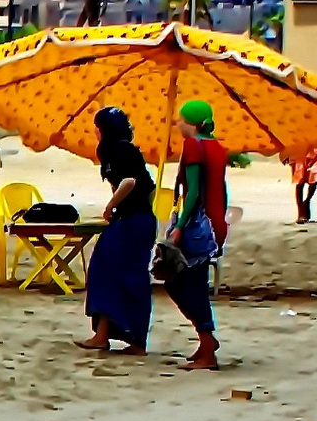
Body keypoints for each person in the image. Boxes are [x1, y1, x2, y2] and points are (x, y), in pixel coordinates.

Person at [74, 107, 156, 356]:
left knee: (123, 276)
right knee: (105, 271)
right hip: (131, 220)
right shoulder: (110, 152)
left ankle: (128, 337)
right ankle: (106, 334)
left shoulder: (121, 150)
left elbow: (129, 181)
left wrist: (112, 206)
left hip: (134, 222)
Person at [167, 100, 228, 371]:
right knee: (192, 283)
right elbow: (220, 191)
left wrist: (180, 225)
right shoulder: (217, 146)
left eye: (181, 120)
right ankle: (205, 342)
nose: (178, 124)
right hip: (214, 224)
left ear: (192, 123)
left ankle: (207, 344)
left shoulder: (193, 146)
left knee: (182, 284)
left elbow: (192, 193)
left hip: (197, 225)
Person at [285, 149, 317, 224]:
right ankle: (301, 212)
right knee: (299, 181)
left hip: (315, 150)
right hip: (299, 151)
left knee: (313, 181)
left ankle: (307, 201)